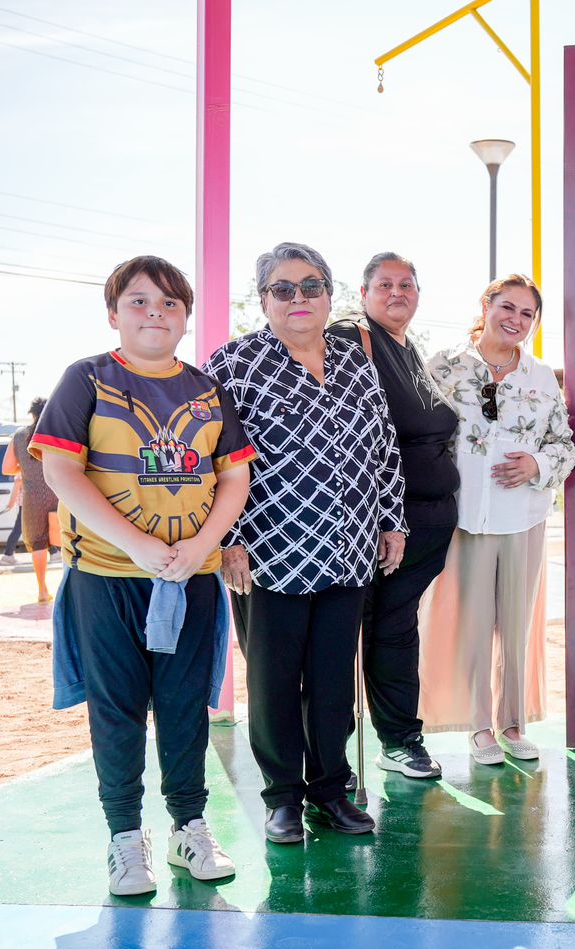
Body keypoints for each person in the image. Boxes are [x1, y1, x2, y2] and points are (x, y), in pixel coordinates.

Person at [34, 255, 253, 896]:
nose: (155, 312)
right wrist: (136, 544)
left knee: (185, 709)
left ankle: (190, 827)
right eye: (138, 301)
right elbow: (60, 471)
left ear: (186, 317)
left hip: (191, 579)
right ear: (113, 314)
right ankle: (126, 838)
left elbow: (234, 476)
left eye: (169, 303)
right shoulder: (87, 379)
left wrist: (202, 546)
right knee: (117, 710)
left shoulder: (206, 390)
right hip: (106, 580)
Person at [211, 242, 407, 845]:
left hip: (349, 547)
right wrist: (229, 539)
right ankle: (282, 799)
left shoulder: (354, 360)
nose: (298, 298)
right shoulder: (234, 363)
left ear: (328, 294)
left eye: (311, 286)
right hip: (270, 554)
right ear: (264, 299)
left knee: (332, 682)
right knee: (274, 682)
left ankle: (329, 790)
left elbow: (382, 445)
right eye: (283, 288)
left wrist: (391, 521)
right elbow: (215, 459)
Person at [422, 274, 575, 765]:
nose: (515, 320)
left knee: (515, 626)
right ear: (486, 305)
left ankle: (513, 723)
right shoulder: (443, 367)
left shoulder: (540, 377)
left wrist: (537, 465)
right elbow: (419, 435)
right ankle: (479, 727)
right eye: (507, 307)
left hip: (523, 517)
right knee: (470, 626)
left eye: (527, 314)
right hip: (462, 517)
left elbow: (565, 445)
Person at [327, 253, 460, 781]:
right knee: (351, 635)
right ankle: (337, 755)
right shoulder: (350, 340)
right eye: (384, 284)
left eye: (407, 284)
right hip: (380, 522)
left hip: (428, 523)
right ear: (363, 294)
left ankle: (400, 739)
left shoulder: (411, 350)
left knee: (396, 631)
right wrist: (387, 518)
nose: (397, 293)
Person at [1, 397, 60, 602]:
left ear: (32, 414)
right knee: (67, 540)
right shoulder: (59, 432)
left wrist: (25, 469)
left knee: (38, 543)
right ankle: (67, 589)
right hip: (59, 493)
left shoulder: (19, 436)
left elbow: (7, 468)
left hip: (33, 498)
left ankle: (42, 590)